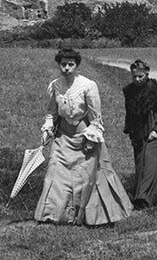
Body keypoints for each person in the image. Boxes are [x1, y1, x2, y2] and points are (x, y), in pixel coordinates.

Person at [35, 48, 133, 225]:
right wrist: (47, 130)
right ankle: (56, 215)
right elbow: (51, 113)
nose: (66, 68)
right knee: (56, 174)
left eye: (70, 64)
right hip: (62, 137)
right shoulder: (55, 85)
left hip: (83, 137)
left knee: (86, 178)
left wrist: (91, 138)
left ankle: (86, 216)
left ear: (77, 65)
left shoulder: (88, 85)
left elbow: (96, 117)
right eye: (63, 64)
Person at [122, 59, 157, 208]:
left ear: (147, 74)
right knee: (142, 164)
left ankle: (142, 197)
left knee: (150, 161)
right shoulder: (129, 91)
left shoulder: (156, 89)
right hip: (138, 132)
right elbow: (129, 114)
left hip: (155, 129)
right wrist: (131, 131)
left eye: (141, 76)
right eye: (134, 77)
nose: (137, 80)